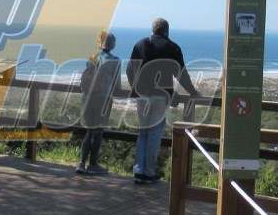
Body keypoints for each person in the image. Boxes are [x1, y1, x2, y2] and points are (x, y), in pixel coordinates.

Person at [126, 17, 198, 184]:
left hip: (142, 95)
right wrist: (193, 92)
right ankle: (148, 172)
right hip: (161, 96)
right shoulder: (173, 47)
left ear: (153, 30)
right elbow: (181, 74)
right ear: (167, 31)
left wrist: (134, 88)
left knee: (143, 133)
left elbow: (130, 70)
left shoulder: (140, 44)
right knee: (154, 134)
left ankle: (139, 171)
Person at [76, 31, 121, 175]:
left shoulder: (92, 58)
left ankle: (81, 163)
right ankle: (93, 164)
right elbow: (117, 85)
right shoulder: (115, 60)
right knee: (98, 132)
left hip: (87, 98)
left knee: (89, 131)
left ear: (100, 43)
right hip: (103, 99)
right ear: (113, 44)